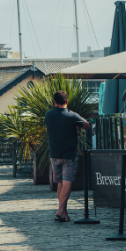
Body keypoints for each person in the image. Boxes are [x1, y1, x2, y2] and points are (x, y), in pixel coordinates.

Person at [45, 90, 91, 222]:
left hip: (54, 154)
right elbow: (87, 126)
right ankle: (60, 210)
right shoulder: (72, 116)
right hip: (69, 154)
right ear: (67, 101)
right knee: (67, 182)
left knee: (60, 183)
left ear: (54, 102)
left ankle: (64, 214)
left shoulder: (48, 114)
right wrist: (77, 126)